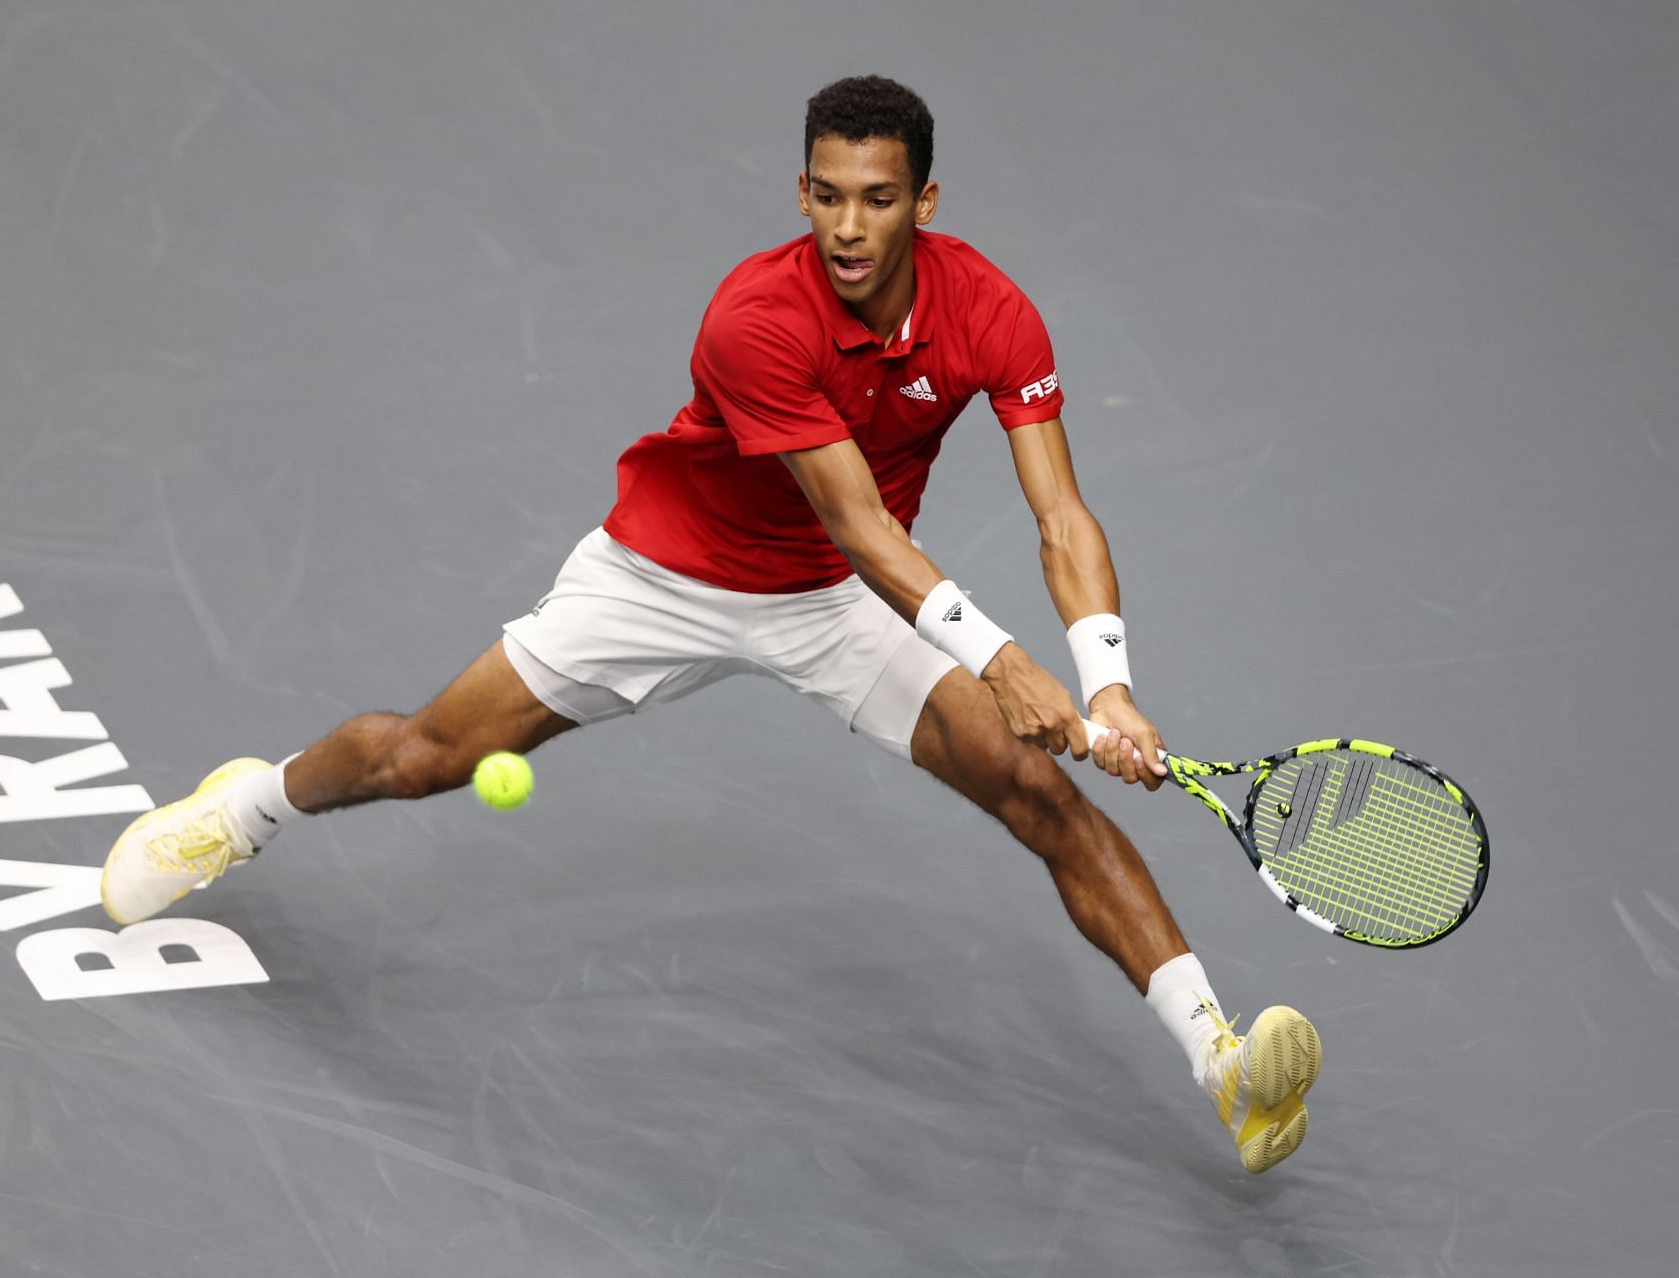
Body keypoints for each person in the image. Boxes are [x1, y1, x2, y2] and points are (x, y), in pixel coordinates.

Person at [102, 75, 1320, 1174]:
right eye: (828, 196)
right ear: (802, 189)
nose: (848, 228)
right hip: (670, 576)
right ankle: (245, 807)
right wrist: (1001, 660)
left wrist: (1105, 680)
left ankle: (1222, 1064)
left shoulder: (992, 311)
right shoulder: (756, 317)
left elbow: (1060, 512)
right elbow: (860, 527)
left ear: (926, 202)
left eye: (879, 199)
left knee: (1042, 796)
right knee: (428, 755)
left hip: (839, 609)